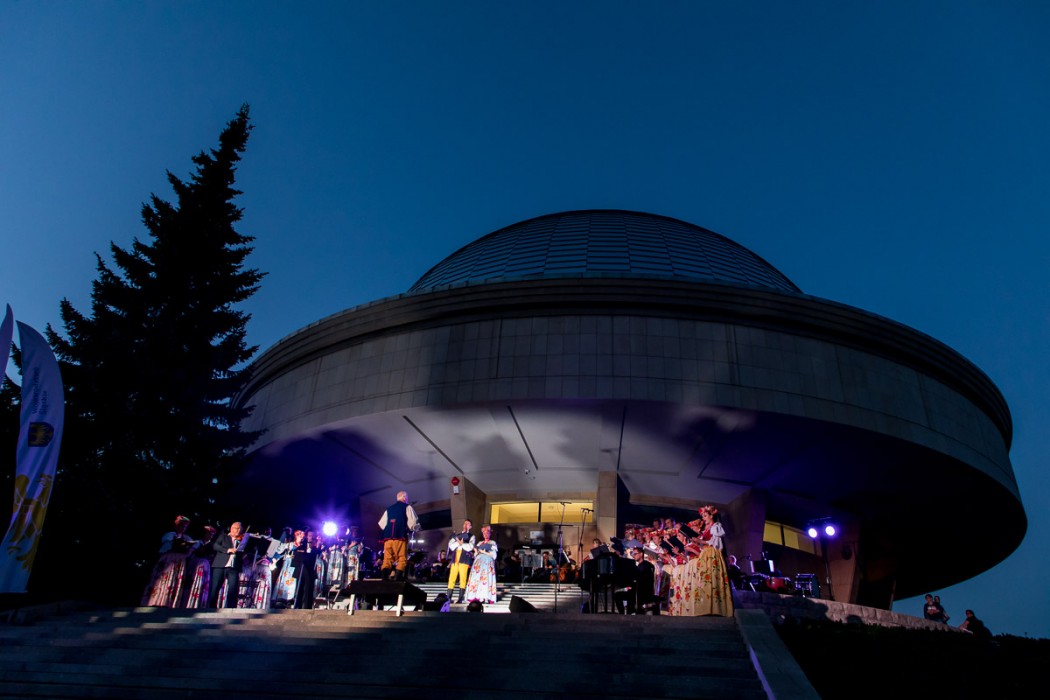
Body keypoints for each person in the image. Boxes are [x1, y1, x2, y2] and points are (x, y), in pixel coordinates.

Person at [142, 515, 197, 607]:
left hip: (179, 561)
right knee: (162, 579)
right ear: (176, 525)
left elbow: (191, 549)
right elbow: (166, 547)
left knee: (174, 580)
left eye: (185, 526)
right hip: (169, 560)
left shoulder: (187, 538)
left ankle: (170, 602)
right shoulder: (170, 535)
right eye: (181, 525)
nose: (183, 528)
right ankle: (156, 600)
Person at [378, 491, 419, 581]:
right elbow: (413, 523)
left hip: (387, 539)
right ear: (404, 497)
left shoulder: (389, 509)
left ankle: (384, 580)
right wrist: (416, 528)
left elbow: (381, 524)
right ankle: (397, 580)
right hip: (400, 537)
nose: (407, 499)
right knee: (402, 558)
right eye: (406, 497)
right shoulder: (407, 507)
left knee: (387, 559)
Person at [208, 521, 246, 608]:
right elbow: (215, 546)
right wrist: (228, 550)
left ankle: (231, 608)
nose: (238, 531)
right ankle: (211, 608)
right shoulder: (223, 537)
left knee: (233, 589)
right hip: (220, 565)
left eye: (240, 529)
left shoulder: (242, 540)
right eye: (236, 528)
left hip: (233, 567)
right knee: (215, 588)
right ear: (231, 529)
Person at [465, 524, 498, 604]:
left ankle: (486, 597)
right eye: (484, 533)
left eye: (487, 533)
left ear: (489, 534)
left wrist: (484, 552)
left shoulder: (492, 542)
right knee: (477, 579)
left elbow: (494, 555)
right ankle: (477, 596)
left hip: (487, 562)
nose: (485, 534)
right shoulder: (480, 543)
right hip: (478, 562)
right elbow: (476, 554)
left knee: (486, 579)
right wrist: (476, 551)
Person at [447, 519, 475, 604]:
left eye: (468, 524)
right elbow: (451, 546)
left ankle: (460, 599)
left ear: (470, 527)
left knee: (463, 578)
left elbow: (470, 547)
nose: (466, 525)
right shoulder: (457, 535)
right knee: (452, 578)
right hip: (455, 558)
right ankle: (448, 598)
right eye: (465, 523)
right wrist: (459, 543)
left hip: (464, 558)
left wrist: (461, 544)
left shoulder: (471, 536)